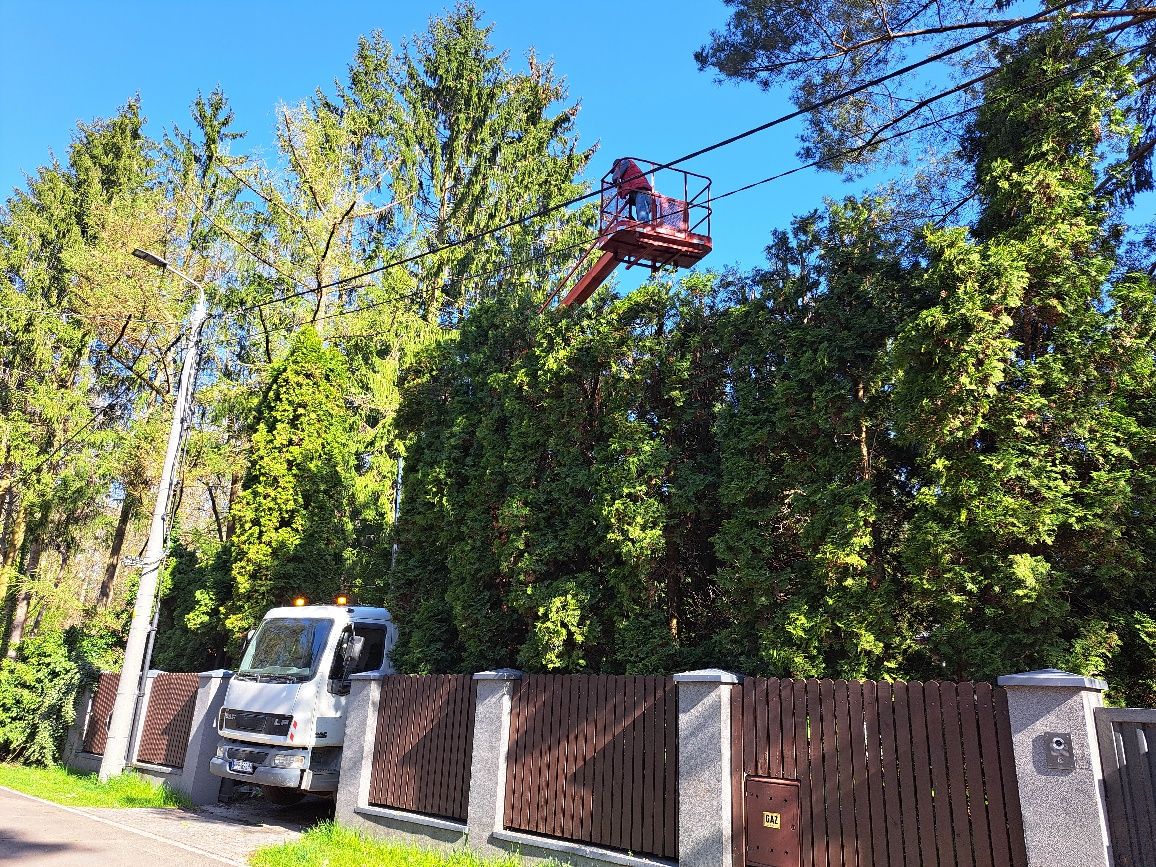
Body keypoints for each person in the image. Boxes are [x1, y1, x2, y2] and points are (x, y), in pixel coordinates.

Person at [611, 158, 653, 222]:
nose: (615, 171)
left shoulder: (625, 162)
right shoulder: (626, 175)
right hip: (641, 192)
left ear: (617, 165)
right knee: (640, 211)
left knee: (643, 219)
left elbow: (615, 177)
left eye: (615, 169)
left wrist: (615, 181)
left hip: (642, 191)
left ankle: (643, 224)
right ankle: (638, 222)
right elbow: (625, 189)